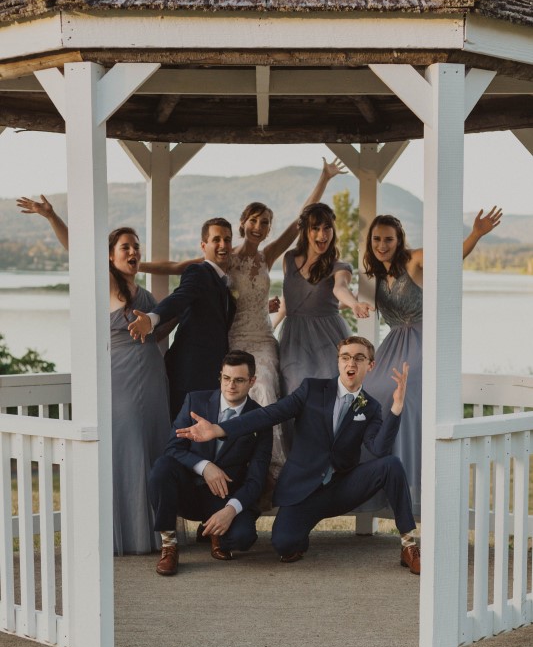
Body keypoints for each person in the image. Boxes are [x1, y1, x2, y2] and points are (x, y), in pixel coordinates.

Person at [140, 158, 347, 485]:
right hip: (235, 340)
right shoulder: (226, 257)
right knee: (242, 393)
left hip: (263, 338)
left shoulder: (269, 255)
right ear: (243, 223)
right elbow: (178, 268)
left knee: (265, 387)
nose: (258, 227)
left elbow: (300, 222)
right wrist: (136, 266)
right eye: (253, 220)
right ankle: (247, 467)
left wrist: (324, 178)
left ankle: (274, 472)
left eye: (265, 222)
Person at [175, 336, 420, 573]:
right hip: (303, 491)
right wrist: (218, 429)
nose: (351, 363)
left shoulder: (371, 407)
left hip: (341, 487)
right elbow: (268, 414)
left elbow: (379, 449)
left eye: (359, 358)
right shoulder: (311, 389)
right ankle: (297, 535)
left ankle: (408, 545)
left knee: (391, 464)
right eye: (345, 357)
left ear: (370, 365)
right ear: (338, 361)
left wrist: (396, 408)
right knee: (284, 544)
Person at [16, 195, 173, 555]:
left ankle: (158, 534)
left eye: (136, 246)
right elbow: (79, 251)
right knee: (129, 447)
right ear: (110, 256)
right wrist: (52, 216)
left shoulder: (146, 294)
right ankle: (130, 536)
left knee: (153, 449)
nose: (133, 251)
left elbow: (160, 331)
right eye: (125, 247)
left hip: (152, 379)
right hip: (122, 380)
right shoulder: (108, 284)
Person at [360, 208, 502, 516]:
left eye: (388, 239)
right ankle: (376, 480)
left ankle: (412, 478)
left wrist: (475, 234)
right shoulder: (375, 274)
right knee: (368, 394)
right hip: (393, 344)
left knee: (403, 396)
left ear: (399, 241)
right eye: (377, 239)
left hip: (423, 340)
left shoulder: (414, 260)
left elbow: (451, 259)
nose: (382, 245)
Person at [149, 350, 273, 576]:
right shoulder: (195, 401)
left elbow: (256, 478)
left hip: (225, 496)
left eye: (239, 380)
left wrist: (230, 510)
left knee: (242, 538)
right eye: (226, 378)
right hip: (188, 492)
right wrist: (204, 466)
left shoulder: (260, 418)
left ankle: (213, 531)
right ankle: (169, 545)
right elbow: (173, 449)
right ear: (220, 377)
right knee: (162, 466)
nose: (231, 386)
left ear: (252, 381)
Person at [127, 218, 236, 419]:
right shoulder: (198, 271)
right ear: (203, 246)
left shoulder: (225, 284)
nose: (223, 245)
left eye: (227, 240)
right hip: (189, 374)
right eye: (216, 239)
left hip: (211, 376)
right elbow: (179, 297)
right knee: (180, 433)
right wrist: (151, 319)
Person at [277, 202, 371, 398]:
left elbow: (340, 288)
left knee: (328, 391)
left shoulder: (339, 266)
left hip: (327, 336)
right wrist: (269, 327)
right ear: (305, 231)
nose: (323, 234)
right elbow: (288, 301)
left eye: (327, 227)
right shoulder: (289, 259)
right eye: (315, 228)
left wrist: (354, 304)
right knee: (294, 387)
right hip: (294, 337)